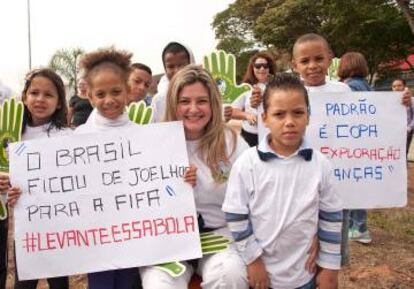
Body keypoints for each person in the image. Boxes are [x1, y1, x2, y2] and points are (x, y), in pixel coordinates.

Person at [223, 73, 343, 289]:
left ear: (308, 115)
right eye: (279, 114)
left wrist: (330, 267)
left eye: (298, 113)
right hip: (262, 277)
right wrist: (253, 260)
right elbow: (235, 215)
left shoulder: (320, 164)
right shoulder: (247, 164)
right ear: (265, 118)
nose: (289, 122)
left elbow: (331, 218)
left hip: (304, 274)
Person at [138, 65, 249, 289]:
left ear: (213, 103)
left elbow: (254, 194)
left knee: (231, 275)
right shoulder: (153, 143)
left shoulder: (231, 142)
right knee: (157, 284)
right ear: (173, 104)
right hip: (168, 240)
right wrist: (171, 186)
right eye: (184, 101)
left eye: (202, 101)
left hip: (219, 235)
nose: (193, 109)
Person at [75, 47, 139, 289]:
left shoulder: (145, 138)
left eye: (116, 92)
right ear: (89, 97)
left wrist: (182, 176)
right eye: (100, 94)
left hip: (133, 232)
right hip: (96, 239)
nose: (109, 100)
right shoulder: (79, 139)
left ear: (128, 92)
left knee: (128, 283)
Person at [6, 68, 71, 289]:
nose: (40, 99)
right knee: (23, 284)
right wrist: (7, 189)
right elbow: (7, 178)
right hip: (27, 229)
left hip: (59, 229)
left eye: (49, 94)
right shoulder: (12, 136)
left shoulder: (68, 137)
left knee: (59, 283)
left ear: (59, 102)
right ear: (24, 97)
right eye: (34, 93)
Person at [337, 52, 373, 244]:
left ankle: (358, 227)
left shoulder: (348, 87)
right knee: (358, 185)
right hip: (364, 144)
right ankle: (358, 226)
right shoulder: (367, 86)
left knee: (350, 186)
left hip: (350, 144)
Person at [230, 52, 276, 147]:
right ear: (252, 68)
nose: (262, 69)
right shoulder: (245, 88)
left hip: (272, 135)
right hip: (250, 136)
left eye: (265, 66)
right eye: (258, 66)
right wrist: (247, 115)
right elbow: (232, 111)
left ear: (269, 68)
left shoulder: (277, 86)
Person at [152, 42, 195, 122]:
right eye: (171, 66)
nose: (177, 71)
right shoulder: (159, 100)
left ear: (191, 64)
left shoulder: (205, 92)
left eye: (182, 65)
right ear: (165, 69)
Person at [392, 78, 414, 155]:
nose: (396, 88)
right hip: (393, 132)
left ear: (404, 86)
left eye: (399, 85)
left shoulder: (411, 100)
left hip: (406, 132)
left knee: (403, 153)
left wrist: (409, 128)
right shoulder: (389, 101)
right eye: (394, 86)